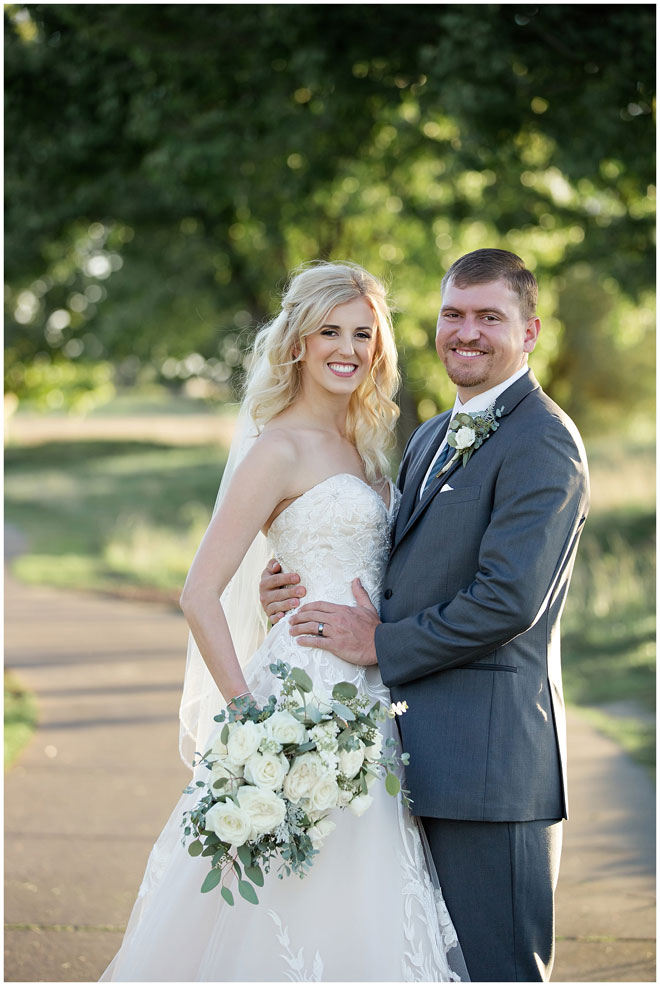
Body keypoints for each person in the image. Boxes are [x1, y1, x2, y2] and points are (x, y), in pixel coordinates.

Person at [100, 261, 467, 983]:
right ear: (298, 341)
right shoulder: (278, 448)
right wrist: (249, 719)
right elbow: (200, 593)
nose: (348, 348)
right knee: (288, 896)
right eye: (330, 331)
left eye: (363, 333)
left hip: (373, 703)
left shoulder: (367, 444)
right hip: (300, 704)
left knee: (364, 899)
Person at [260, 248, 590, 982]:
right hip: (405, 758)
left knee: (496, 970)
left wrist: (378, 644)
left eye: (489, 317)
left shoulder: (543, 440)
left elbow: (507, 600)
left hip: (488, 769)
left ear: (530, 332)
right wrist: (292, 584)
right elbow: (395, 568)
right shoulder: (434, 435)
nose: (466, 332)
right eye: (452, 314)